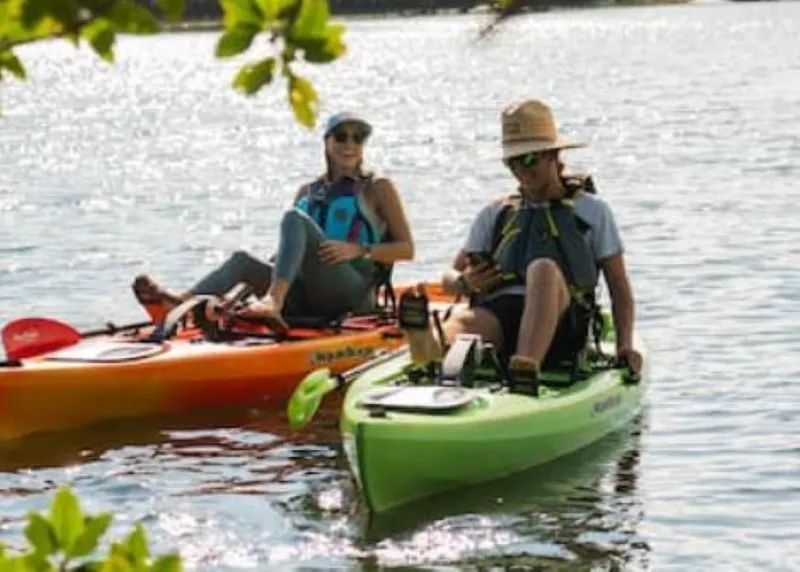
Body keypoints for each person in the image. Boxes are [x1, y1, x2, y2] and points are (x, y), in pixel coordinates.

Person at [400, 99, 643, 382]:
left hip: (563, 320)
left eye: (529, 159)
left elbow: (619, 285)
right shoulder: (495, 213)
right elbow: (448, 277)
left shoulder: (591, 211)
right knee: (469, 320)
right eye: (512, 161)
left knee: (542, 268)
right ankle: (433, 350)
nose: (521, 169)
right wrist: (465, 283)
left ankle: (526, 365)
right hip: (503, 315)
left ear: (554, 155)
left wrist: (625, 345)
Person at [133, 111, 415, 330]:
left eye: (358, 138)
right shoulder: (307, 191)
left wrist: (359, 250)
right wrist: (243, 292)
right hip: (306, 294)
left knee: (294, 218)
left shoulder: (378, 187)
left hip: (352, 293)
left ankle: (274, 302)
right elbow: (287, 255)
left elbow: (407, 249)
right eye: (341, 136)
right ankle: (180, 304)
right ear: (327, 142)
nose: (350, 144)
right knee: (242, 260)